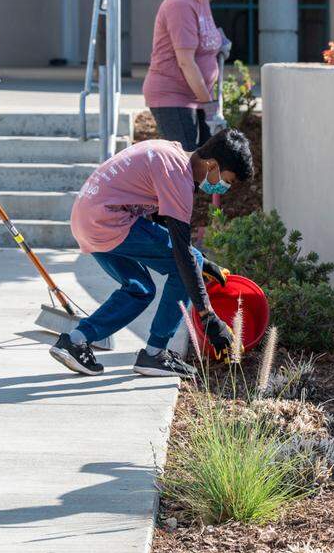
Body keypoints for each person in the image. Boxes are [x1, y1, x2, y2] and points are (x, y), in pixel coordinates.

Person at [50, 129, 254, 378]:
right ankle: (156, 353)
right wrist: (210, 319)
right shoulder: (178, 176)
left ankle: (75, 341)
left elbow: (162, 225)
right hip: (109, 221)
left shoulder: (170, 152)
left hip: (86, 219)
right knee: (184, 267)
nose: (225, 188)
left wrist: (202, 262)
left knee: (139, 289)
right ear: (212, 164)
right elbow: (181, 253)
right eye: (228, 180)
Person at [142, 0, 231, 151]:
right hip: (173, 97)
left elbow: (205, 38)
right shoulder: (180, 4)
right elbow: (186, 63)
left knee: (204, 162)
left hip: (195, 97)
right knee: (186, 164)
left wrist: (219, 42)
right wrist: (210, 106)